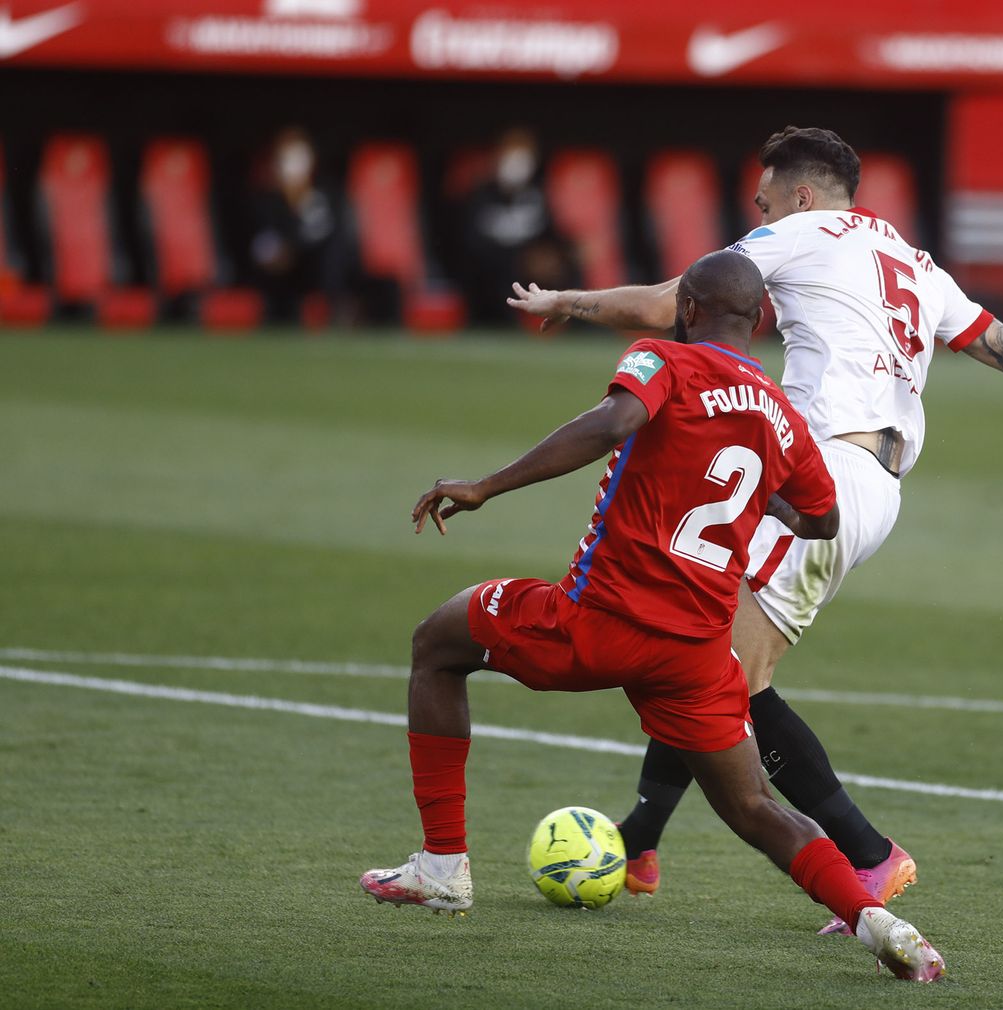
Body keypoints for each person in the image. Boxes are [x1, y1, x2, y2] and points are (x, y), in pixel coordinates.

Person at [508, 126, 1003, 935]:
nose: (756, 206)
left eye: (764, 193)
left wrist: (566, 301)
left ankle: (866, 852)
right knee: (703, 642)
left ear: (801, 195)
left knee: (715, 671)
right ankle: (641, 844)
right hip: (873, 486)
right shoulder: (914, 262)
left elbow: (677, 303)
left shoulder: (798, 233)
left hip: (824, 475)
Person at [360, 250, 945, 982]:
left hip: (597, 623)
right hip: (696, 655)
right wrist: (763, 494)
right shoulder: (783, 417)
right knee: (756, 808)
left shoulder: (664, 359)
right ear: (759, 320)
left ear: (689, 310)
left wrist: (488, 485)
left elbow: (615, 421)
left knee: (437, 643)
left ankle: (442, 865)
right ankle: (883, 926)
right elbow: (822, 521)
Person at [458, 128, 577, 326]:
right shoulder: (481, 194)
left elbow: (552, 234)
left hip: (532, 265)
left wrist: (553, 253)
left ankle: (571, 325)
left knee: (563, 264)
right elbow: (470, 241)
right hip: (492, 266)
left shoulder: (539, 193)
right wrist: (518, 257)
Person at [248, 127, 347, 324]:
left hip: (315, 264)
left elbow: (326, 232)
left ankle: (332, 313)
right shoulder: (268, 198)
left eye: (300, 158)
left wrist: (296, 246)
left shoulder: (324, 193)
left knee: (334, 257)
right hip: (282, 270)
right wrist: (275, 252)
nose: (295, 166)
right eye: (288, 159)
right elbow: (260, 238)